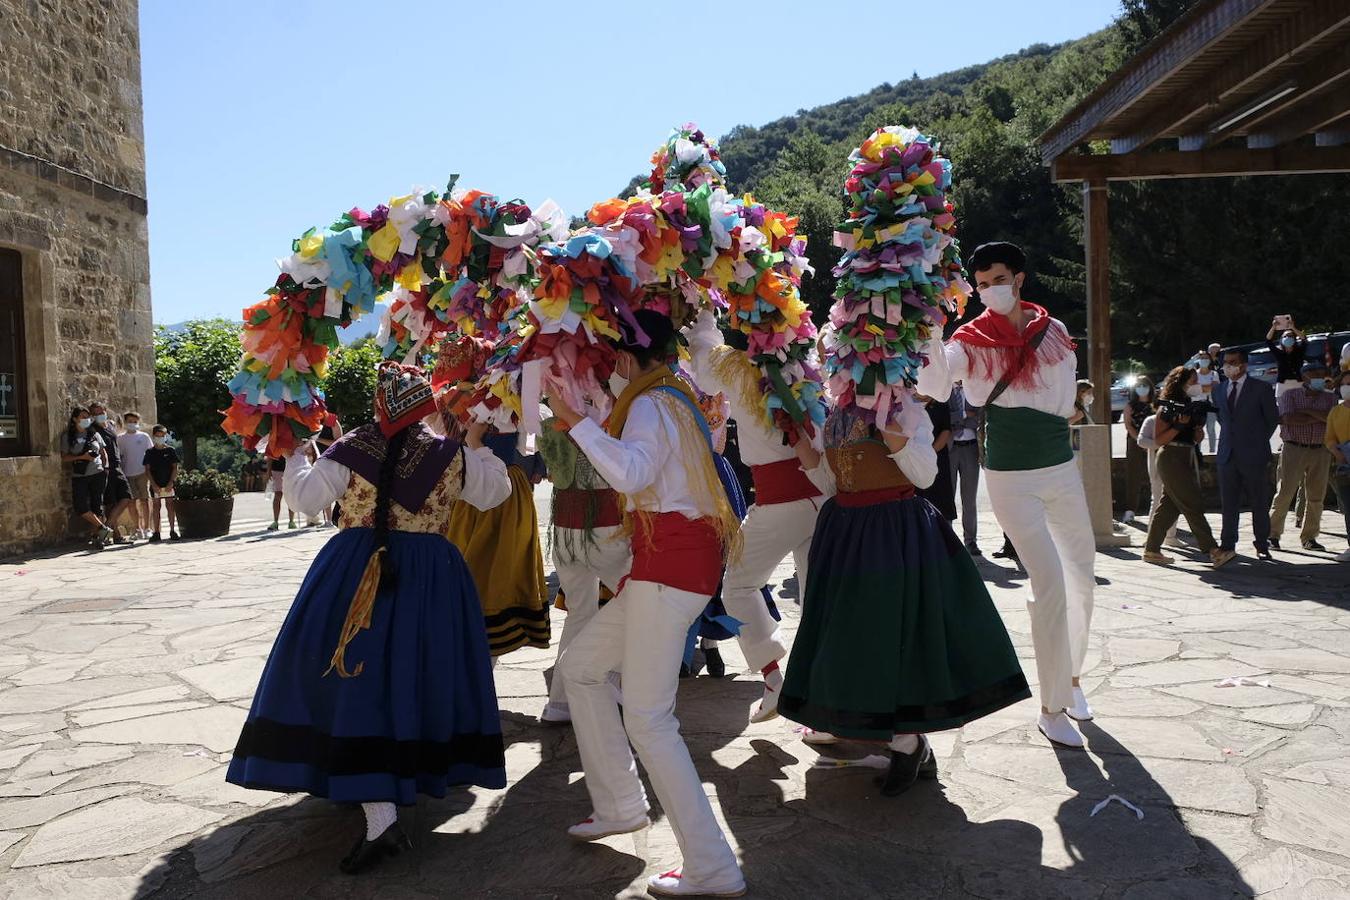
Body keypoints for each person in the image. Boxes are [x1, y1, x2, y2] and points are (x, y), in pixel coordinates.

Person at [227, 362, 511, 875]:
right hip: (431, 576)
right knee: (413, 673)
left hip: (354, 570)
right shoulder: (452, 454)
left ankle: (373, 802)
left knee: (351, 677)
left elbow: (304, 500)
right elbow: (494, 494)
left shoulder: (353, 446)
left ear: (380, 404)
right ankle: (390, 782)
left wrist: (292, 449)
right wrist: (475, 441)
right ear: (426, 405)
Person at [548, 309, 747, 899]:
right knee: (581, 669)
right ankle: (619, 804)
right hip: (666, 569)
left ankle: (711, 866)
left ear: (629, 360)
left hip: (669, 572)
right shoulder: (671, 395)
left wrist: (576, 423)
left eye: (614, 360)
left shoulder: (650, 401)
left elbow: (633, 475)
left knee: (649, 719)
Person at [780, 393, 1030, 796]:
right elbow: (831, 482)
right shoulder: (835, 414)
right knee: (849, 640)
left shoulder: (908, 411)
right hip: (845, 533)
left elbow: (925, 477)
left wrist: (893, 433)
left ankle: (907, 741)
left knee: (891, 639)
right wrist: (801, 446)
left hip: (892, 536)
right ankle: (903, 742)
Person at [937, 241, 1095, 749]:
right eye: (981, 284)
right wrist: (920, 326)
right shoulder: (968, 340)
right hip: (1010, 475)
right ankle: (1051, 709)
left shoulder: (1056, 331)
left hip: (1061, 466)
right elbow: (934, 382)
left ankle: (1070, 679)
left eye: (998, 280)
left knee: (1082, 577)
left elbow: (1068, 401)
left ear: (1020, 278)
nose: (990, 291)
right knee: (1048, 582)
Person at [685, 308, 822, 723]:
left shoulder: (740, 369)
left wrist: (704, 321)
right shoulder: (807, 364)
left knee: (739, 587)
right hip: (823, 494)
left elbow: (703, 370)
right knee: (817, 599)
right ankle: (821, 697)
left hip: (780, 501)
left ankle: (774, 678)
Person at [536, 415, 631, 725]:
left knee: (580, 612)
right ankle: (614, 680)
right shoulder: (612, 412)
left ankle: (560, 703)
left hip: (564, 530)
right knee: (634, 605)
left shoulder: (549, 418)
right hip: (604, 527)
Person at [444, 429, 550, 658]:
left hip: (506, 488)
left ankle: (486, 633)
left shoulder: (519, 404)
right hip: (475, 491)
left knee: (499, 564)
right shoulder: (462, 402)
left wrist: (536, 463)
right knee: (474, 562)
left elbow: (530, 440)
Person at [1140, 367, 1235, 568]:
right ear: (1182, 382)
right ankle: (1213, 550)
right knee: (1191, 503)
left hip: (1184, 455)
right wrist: (1178, 426)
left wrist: (1196, 430)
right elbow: (1159, 439)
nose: (1195, 385)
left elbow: (1193, 438)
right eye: (1192, 381)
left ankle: (1151, 549)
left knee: (1169, 506)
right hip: (1171, 457)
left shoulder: (1187, 405)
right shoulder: (1167, 408)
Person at [1213, 348, 1279, 560]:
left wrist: (1256, 441)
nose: (1228, 366)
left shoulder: (1261, 388)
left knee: (1259, 502)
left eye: (1232, 362)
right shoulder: (1219, 389)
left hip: (1254, 454)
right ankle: (1228, 544)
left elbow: (1271, 420)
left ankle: (1261, 543)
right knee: (1228, 503)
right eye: (1225, 362)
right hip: (1227, 454)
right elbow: (1224, 420)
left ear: (1243, 364)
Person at [1269, 363, 1335, 552]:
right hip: (1294, 449)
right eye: (1316, 375)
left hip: (1320, 450)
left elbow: (1330, 418)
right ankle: (1272, 535)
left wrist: (1306, 411)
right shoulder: (1289, 395)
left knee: (1316, 496)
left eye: (1323, 375)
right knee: (1284, 493)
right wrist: (1318, 416)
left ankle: (1310, 537)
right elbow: (1289, 419)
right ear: (1304, 376)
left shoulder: (1330, 398)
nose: (1320, 378)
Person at [59, 406, 112, 548]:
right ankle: (103, 527)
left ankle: (98, 538)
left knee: (97, 505)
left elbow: (103, 451)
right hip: (80, 475)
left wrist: (106, 467)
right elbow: (64, 457)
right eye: (82, 416)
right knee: (80, 506)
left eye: (87, 417)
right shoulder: (68, 436)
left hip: (98, 473)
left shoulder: (94, 434)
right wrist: (82, 456)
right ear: (75, 419)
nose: (86, 419)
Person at [89, 402, 134, 543]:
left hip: (117, 465)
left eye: (101, 412)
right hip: (105, 468)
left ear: (105, 411)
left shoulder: (110, 425)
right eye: (95, 413)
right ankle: (116, 535)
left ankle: (106, 528)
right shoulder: (92, 430)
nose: (99, 415)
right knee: (111, 502)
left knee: (126, 497)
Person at [1137, 411, 1180, 548]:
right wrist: (1161, 444)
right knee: (1157, 499)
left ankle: (1170, 535)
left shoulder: (1177, 419)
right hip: (1157, 465)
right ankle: (1152, 536)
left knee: (1174, 499)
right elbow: (1141, 440)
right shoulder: (1151, 421)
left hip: (1175, 463)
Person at [948, 381, 982, 555]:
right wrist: (963, 414)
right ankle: (947, 540)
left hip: (970, 448)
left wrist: (961, 418)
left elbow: (979, 417)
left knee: (969, 500)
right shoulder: (944, 389)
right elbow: (944, 417)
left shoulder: (973, 389)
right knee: (948, 497)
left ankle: (971, 541)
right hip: (950, 450)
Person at [917, 393, 957, 521]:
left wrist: (929, 453)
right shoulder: (907, 402)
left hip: (937, 459)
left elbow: (946, 430)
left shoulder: (940, 402)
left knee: (941, 504)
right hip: (914, 460)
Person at [1121, 377, 1155, 522]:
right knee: (1133, 476)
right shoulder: (1130, 405)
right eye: (1139, 385)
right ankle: (1130, 510)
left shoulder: (1156, 404)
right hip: (1135, 442)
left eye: (1145, 385)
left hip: (1154, 442)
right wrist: (1139, 440)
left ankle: (1156, 510)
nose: (1142, 388)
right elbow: (1128, 424)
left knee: (1156, 475)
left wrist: (1151, 442)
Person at [117, 411, 154, 539]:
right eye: (130, 421)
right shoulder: (120, 438)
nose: (132, 424)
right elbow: (119, 456)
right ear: (125, 422)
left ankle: (148, 527)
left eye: (135, 421)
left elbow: (150, 453)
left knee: (145, 500)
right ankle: (137, 528)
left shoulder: (144, 437)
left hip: (142, 472)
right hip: (127, 473)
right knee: (132, 502)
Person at [1326, 372, 1350, 562]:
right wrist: (1340, 455)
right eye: (1344, 384)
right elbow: (1330, 439)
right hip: (1344, 466)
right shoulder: (1336, 411)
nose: (1346, 387)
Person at [144, 425, 180, 542]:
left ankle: (172, 530)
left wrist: (171, 482)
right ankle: (156, 532)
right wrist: (153, 484)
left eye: (162, 436)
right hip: (156, 483)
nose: (160, 438)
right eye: (157, 436)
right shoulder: (149, 452)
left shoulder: (170, 450)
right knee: (156, 507)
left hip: (168, 482)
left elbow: (175, 467)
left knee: (170, 506)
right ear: (154, 436)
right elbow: (147, 470)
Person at [1267, 317, 1308, 399]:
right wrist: (1274, 327)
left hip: (1298, 382)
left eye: (1290, 336)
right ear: (1281, 339)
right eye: (1285, 336)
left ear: (1294, 338)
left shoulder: (1299, 351)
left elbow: (1304, 339)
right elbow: (1268, 341)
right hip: (1283, 384)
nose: (1288, 338)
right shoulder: (1279, 353)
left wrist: (1292, 327)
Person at [1191, 351, 1220, 453]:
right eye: (1202, 358)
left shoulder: (1214, 374)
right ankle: (1197, 453)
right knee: (1197, 429)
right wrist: (1206, 388)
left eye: (1206, 358)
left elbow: (1214, 388)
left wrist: (1200, 388)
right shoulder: (1194, 374)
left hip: (1210, 404)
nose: (1204, 360)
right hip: (1197, 406)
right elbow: (1192, 389)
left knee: (1210, 429)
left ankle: (1212, 452)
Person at [264, 452, 296, 531]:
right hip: (277, 469)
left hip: (289, 469)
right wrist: (268, 471)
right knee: (278, 495)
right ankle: (276, 521)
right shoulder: (274, 440)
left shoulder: (292, 440)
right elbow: (270, 455)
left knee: (290, 496)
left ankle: (291, 521)